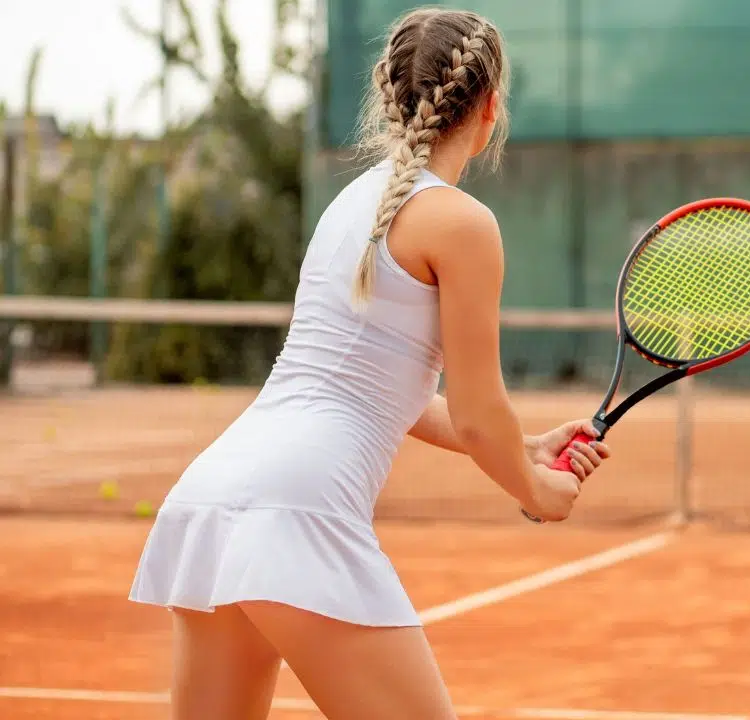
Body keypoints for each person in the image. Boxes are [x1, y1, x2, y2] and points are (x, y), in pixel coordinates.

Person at [128, 8, 611, 719]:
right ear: (490, 108)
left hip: (212, 500)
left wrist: (527, 447)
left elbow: (379, 390)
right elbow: (479, 414)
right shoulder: (463, 224)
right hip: (299, 511)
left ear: (391, 96)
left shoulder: (352, 207)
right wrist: (538, 493)